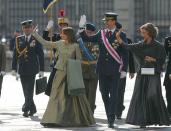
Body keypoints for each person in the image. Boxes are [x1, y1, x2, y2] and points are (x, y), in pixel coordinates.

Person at [32, 27, 95, 127]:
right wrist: (35, 34)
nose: (61, 35)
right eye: (61, 34)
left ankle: (77, 119)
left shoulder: (75, 46)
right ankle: (52, 119)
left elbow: (79, 60)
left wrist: (73, 66)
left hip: (71, 73)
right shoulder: (59, 43)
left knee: (74, 97)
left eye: (63, 34)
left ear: (68, 35)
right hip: (60, 73)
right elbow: (45, 43)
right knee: (56, 95)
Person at [79, 12, 128, 128]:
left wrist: (124, 69)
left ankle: (111, 118)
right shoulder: (101, 33)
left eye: (107, 21)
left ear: (113, 21)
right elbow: (86, 38)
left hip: (115, 69)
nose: (105, 23)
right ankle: (109, 115)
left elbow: (125, 53)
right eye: (105, 21)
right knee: (104, 93)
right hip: (102, 69)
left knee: (114, 94)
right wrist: (81, 28)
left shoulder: (121, 34)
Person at [116, 23, 170, 127]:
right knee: (140, 96)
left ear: (150, 33)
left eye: (144, 33)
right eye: (142, 32)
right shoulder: (140, 45)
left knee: (153, 95)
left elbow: (163, 59)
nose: (142, 34)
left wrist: (153, 59)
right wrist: (118, 37)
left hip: (154, 74)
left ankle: (155, 118)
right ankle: (143, 121)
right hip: (142, 74)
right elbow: (127, 47)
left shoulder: (158, 46)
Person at [12, 20, 44, 117]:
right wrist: (13, 68)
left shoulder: (36, 39)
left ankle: (25, 109)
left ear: (31, 28)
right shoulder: (18, 39)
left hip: (32, 68)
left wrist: (42, 69)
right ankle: (33, 109)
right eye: (25, 28)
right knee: (25, 89)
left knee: (29, 89)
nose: (27, 29)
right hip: (22, 68)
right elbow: (15, 55)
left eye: (29, 27)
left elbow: (41, 55)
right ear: (23, 29)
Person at [44, 16, 69, 96]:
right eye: (61, 25)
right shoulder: (55, 37)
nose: (62, 27)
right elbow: (45, 39)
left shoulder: (71, 37)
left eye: (64, 25)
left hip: (68, 64)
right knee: (52, 83)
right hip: (57, 64)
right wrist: (47, 29)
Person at [78, 23, 99, 114]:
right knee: (84, 92)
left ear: (93, 33)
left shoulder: (97, 41)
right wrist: (80, 28)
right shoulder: (80, 41)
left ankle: (90, 112)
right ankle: (84, 111)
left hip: (94, 70)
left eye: (90, 32)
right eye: (87, 32)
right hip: (83, 69)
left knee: (92, 93)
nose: (88, 34)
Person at [116, 37, 135, 119]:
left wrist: (132, 70)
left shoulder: (128, 40)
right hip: (109, 69)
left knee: (120, 91)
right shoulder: (107, 38)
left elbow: (130, 56)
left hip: (122, 70)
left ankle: (118, 110)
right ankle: (116, 108)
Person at [163, 36, 171, 117]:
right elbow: (163, 54)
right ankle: (169, 113)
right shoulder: (168, 40)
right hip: (169, 70)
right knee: (168, 91)